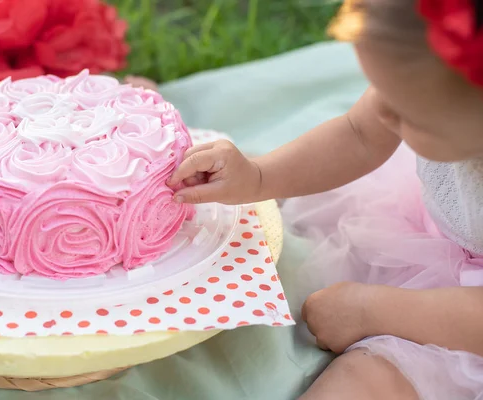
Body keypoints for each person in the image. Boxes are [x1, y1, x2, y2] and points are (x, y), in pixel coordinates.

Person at [163, 0, 483, 399]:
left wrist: (369, 309)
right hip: (435, 237)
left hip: (469, 322)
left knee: (366, 382)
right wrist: (259, 176)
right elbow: (359, 133)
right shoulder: (440, 102)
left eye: (407, 115)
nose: (381, 112)